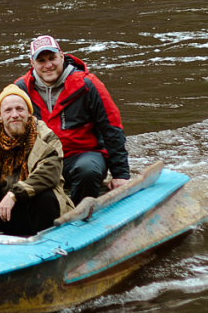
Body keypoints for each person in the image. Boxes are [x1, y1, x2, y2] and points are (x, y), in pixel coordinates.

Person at [14, 33, 131, 204]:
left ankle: (81, 215)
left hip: (83, 156)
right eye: (41, 61)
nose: (48, 65)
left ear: (61, 56)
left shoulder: (88, 85)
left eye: (52, 58)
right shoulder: (20, 90)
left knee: (87, 171)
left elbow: (111, 128)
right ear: (32, 64)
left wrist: (120, 174)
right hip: (42, 161)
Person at [0, 86, 71, 238]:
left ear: (29, 113)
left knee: (45, 196)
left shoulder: (47, 139)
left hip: (33, 213)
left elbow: (50, 173)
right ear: (0, 116)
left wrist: (13, 195)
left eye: (20, 109)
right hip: (2, 214)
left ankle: (46, 245)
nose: (14, 115)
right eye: (8, 110)